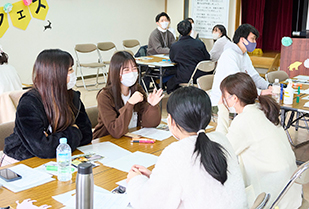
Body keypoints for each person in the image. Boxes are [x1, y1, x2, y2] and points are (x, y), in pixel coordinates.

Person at [126, 86, 248, 209]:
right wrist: (156, 177)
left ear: (172, 121)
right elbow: (197, 179)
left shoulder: (175, 153)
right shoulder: (221, 139)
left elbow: (147, 204)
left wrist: (135, 180)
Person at [216, 72, 302, 208]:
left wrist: (222, 112)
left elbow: (221, 149)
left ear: (234, 98)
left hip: (273, 194)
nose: (223, 100)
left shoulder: (244, 120)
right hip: (290, 188)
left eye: (225, 97)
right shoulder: (263, 110)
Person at [1, 49, 92, 165]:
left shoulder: (72, 96)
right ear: (55, 75)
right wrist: (73, 130)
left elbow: (87, 134)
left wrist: (52, 138)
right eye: (69, 70)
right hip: (21, 161)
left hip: (57, 159)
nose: (73, 73)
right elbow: (44, 148)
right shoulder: (29, 103)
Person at [93, 51, 162, 139]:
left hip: (129, 137)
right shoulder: (105, 96)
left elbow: (149, 124)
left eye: (134, 68)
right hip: (107, 140)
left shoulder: (137, 89)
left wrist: (152, 106)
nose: (132, 73)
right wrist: (130, 104)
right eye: (126, 70)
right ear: (116, 72)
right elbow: (116, 131)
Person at [211, 23, 272, 107]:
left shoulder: (244, 55)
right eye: (252, 39)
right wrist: (260, 92)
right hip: (224, 102)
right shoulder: (229, 55)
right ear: (242, 39)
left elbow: (254, 77)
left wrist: (268, 86)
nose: (255, 42)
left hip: (239, 97)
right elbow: (237, 83)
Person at [166, 19, 210, 94]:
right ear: (190, 30)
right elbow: (207, 58)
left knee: (170, 81)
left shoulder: (175, 46)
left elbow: (172, 59)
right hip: (201, 75)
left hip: (185, 76)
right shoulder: (199, 43)